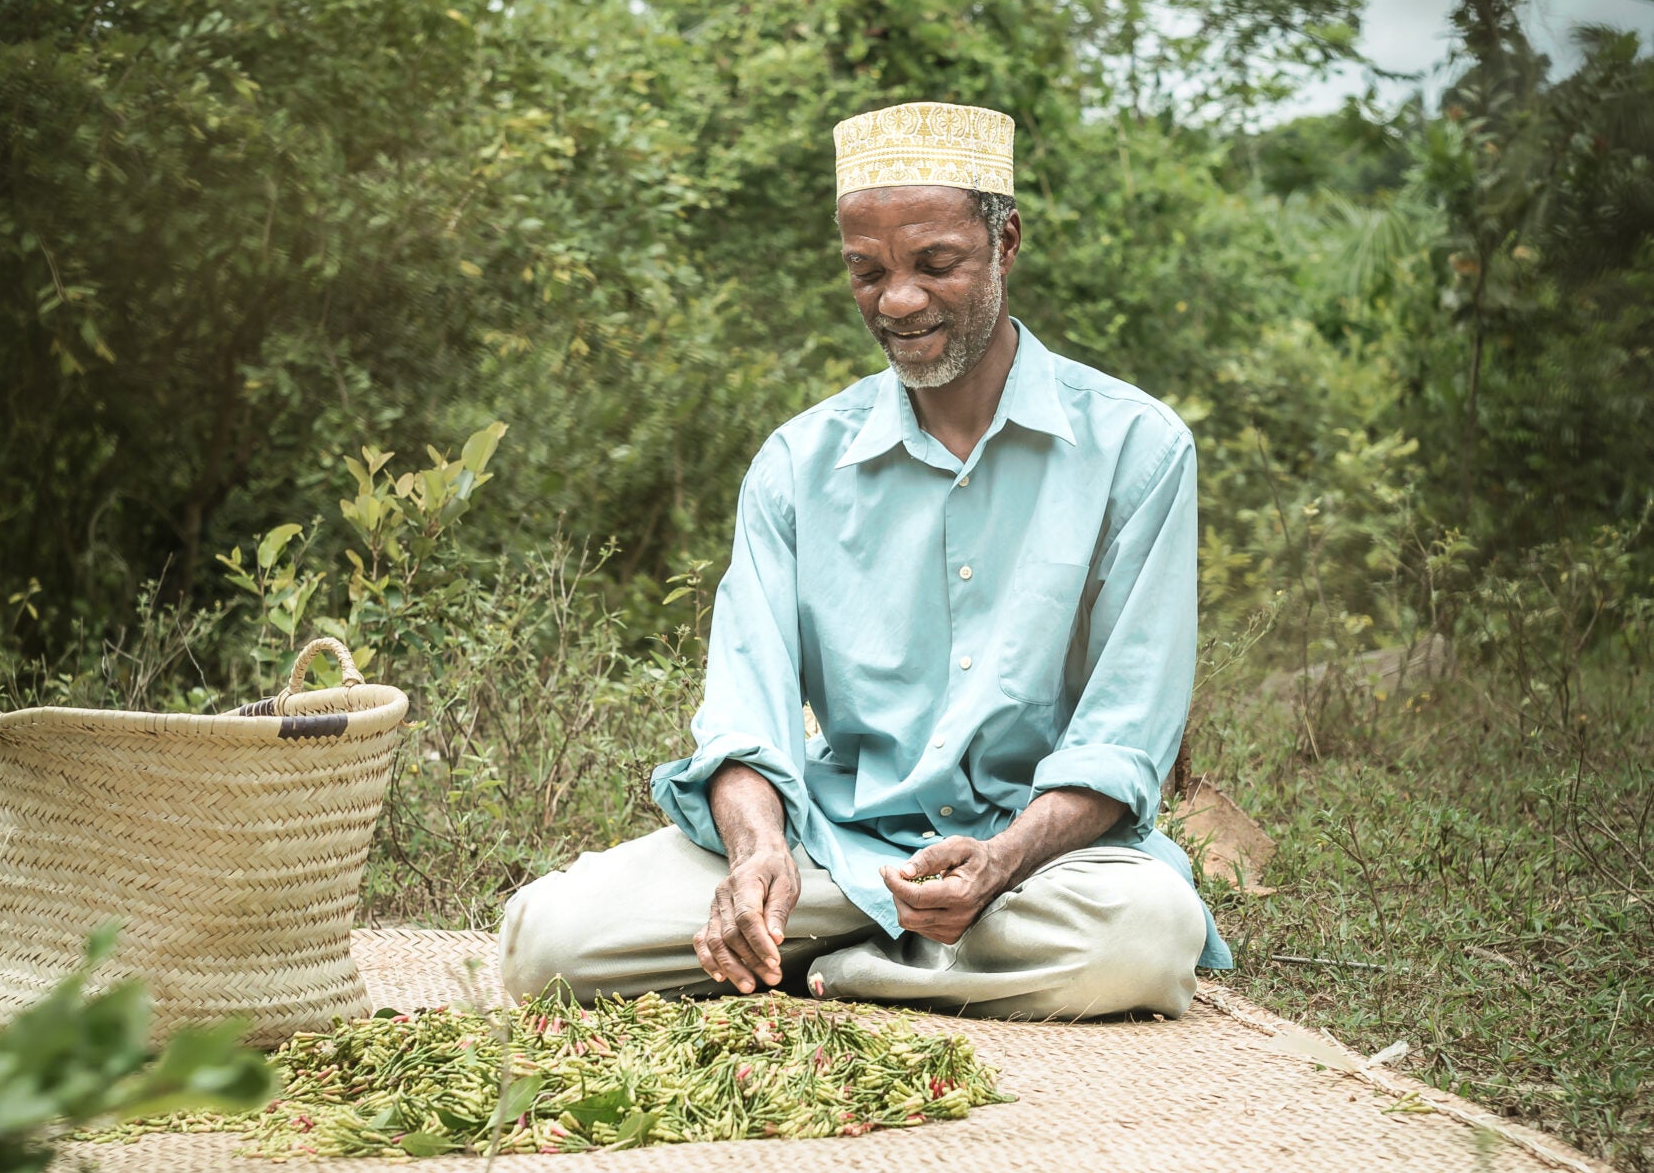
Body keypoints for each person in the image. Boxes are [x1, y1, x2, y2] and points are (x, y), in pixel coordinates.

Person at [501, 99, 1230, 1021]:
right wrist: (758, 855)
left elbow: (1123, 735)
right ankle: (892, 949)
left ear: (1006, 243)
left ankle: (835, 974)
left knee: (1145, 935)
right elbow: (744, 711)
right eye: (866, 271)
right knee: (545, 948)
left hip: (1040, 864)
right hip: (831, 847)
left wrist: (999, 859)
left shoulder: (1137, 447)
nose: (897, 300)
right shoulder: (797, 464)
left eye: (936, 265)